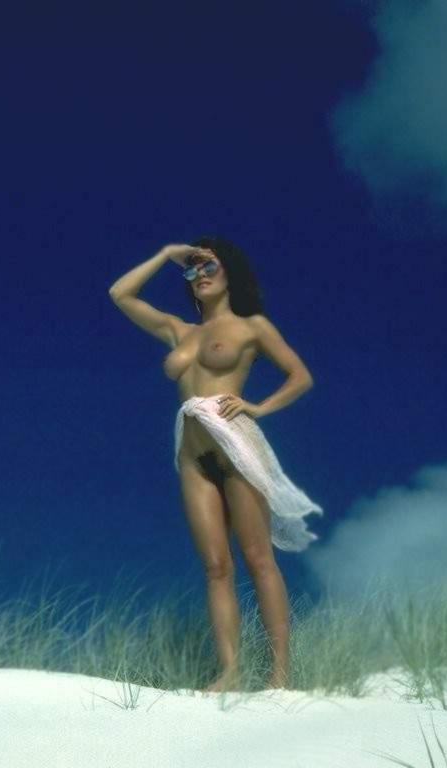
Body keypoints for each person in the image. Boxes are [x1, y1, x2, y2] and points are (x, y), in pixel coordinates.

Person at [108, 238, 322, 692]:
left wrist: (259, 407)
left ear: (230, 273)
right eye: (192, 269)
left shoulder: (252, 326)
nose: (200, 275)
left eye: (209, 266)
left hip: (236, 442)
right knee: (215, 567)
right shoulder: (178, 330)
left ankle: (280, 675)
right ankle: (230, 672)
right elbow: (120, 294)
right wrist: (165, 254)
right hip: (191, 454)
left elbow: (300, 376)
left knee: (258, 558)